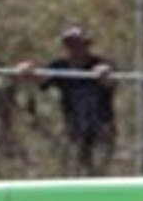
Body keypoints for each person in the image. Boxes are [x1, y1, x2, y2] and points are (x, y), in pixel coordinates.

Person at [18, 26, 116, 176]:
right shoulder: (60, 66)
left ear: (86, 45)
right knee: (75, 171)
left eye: (78, 44)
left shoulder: (99, 64)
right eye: (70, 44)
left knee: (100, 172)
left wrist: (105, 74)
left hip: (101, 127)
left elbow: (111, 81)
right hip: (74, 129)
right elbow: (42, 79)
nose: (74, 48)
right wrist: (29, 71)